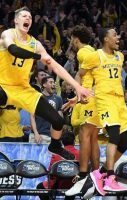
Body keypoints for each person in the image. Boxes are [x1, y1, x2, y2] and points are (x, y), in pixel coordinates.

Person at [0, 7, 90, 160]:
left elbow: (56, 66)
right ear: (16, 20)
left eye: (30, 16)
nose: (27, 18)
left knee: (58, 120)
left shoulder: (35, 44)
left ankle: (54, 145)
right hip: (3, 85)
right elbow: (15, 50)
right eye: (23, 16)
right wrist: (36, 56)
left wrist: (77, 87)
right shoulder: (8, 34)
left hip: (23, 90)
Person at [69, 28, 127, 197]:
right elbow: (79, 75)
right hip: (104, 99)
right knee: (113, 134)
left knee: (125, 142)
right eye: (115, 35)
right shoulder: (94, 55)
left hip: (120, 101)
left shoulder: (120, 57)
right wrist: (79, 93)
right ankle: (110, 177)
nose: (118, 37)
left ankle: (100, 173)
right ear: (106, 39)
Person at [64, 25, 101, 196]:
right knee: (93, 139)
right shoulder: (92, 50)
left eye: (72, 38)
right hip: (96, 98)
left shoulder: (82, 52)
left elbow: (92, 76)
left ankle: (83, 174)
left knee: (85, 136)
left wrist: (83, 94)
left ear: (76, 39)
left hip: (90, 97)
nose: (71, 41)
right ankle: (96, 174)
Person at [36, 131, 79, 200]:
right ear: (74, 142)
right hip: (75, 184)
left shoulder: (56, 154)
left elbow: (50, 172)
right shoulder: (81, 154)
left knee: (40, 186)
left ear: (62, 142)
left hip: (59, 184)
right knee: (72, 184)